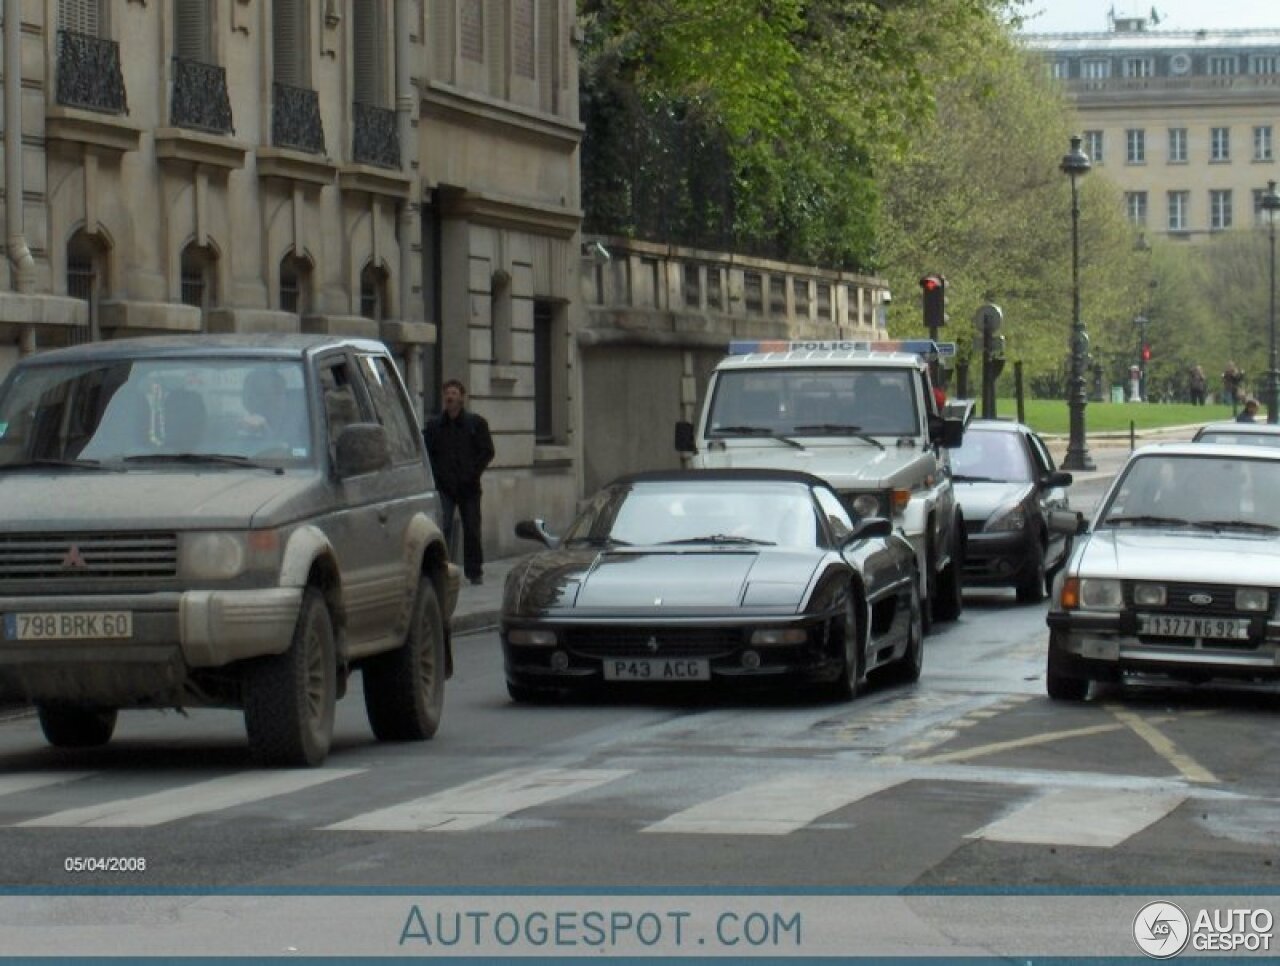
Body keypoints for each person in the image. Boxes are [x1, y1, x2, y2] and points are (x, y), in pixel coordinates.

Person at [424, 379, 495, 585]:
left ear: (462, 398)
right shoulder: (435, 426)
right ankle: (442, 569)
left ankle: (474, 571)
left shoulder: (476, 424)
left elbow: (487, 451)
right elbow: (428, 454)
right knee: (443, 527)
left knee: (472, 529)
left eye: (454, 393)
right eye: (447, 393)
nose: (450, 397)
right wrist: (438, 477)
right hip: (445, 487)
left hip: (469, 487)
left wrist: (472, 473)